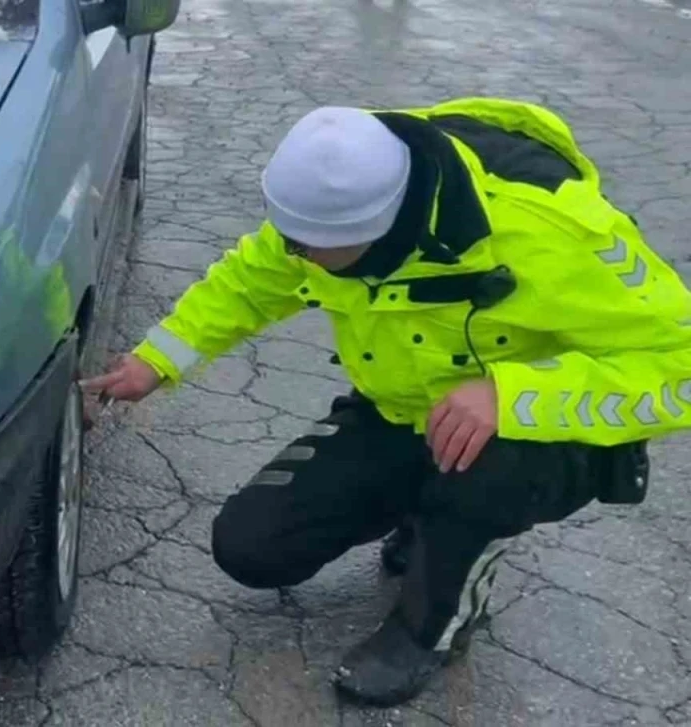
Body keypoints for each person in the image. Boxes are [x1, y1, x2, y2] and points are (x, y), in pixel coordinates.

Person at [82, 97, 691, 706]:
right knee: (252, 548)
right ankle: (427, 512)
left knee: (488, 477)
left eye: (307, 248)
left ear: (373, 230)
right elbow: (249, 284)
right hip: (403, 413)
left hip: (525, 436)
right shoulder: (332, 198)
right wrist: (155, 361)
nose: (294, 254)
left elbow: (679, 361)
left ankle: (432, 628)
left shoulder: (554, 234)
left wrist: (512, 395)